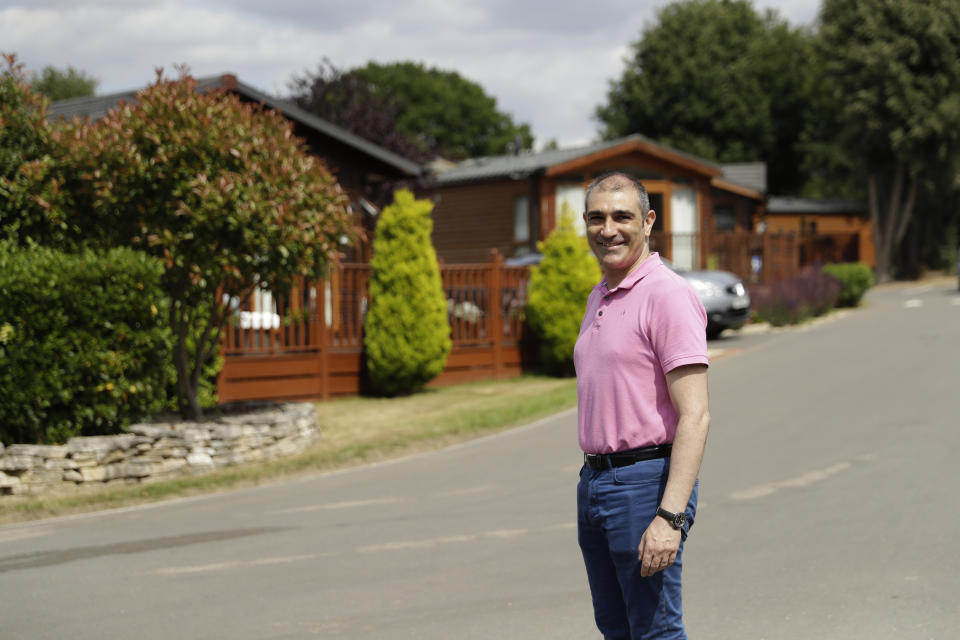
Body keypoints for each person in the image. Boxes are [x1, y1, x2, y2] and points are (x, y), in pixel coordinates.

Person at [575, 171, 710, 639]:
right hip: (595, 482)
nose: (607, 228)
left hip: (644, 485)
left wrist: (670, 517)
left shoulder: (668, 296)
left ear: (648, 221)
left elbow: (695, 414)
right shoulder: (600, 294)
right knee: (616, 628)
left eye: (621, 216)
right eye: (596, 217)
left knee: (655, 630)